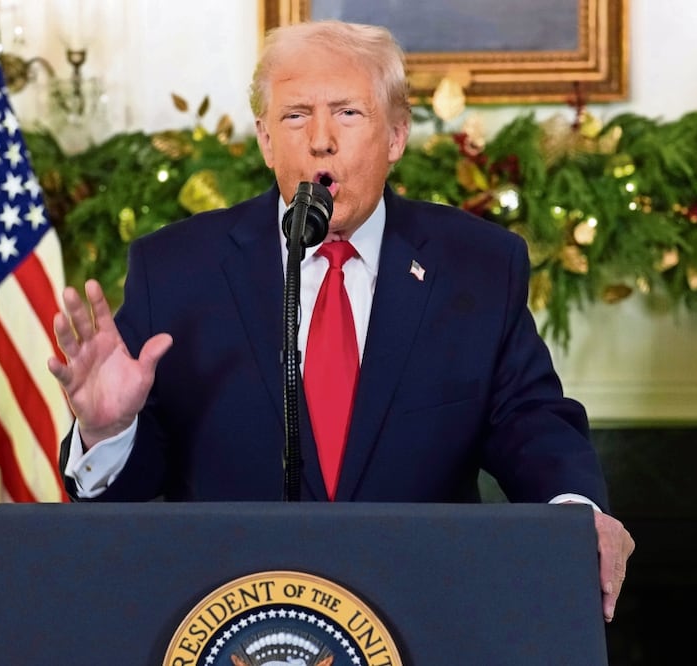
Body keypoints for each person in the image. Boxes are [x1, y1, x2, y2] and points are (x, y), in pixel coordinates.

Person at [47, 20, 634, 622]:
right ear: (266, 140)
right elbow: (131, 494)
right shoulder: (177, 269)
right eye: (296, 116)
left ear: (397, 135)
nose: (321, 140)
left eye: (348, 114)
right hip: (234, 627)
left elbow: (529, 421)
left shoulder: (477, 265)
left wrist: (575, 512)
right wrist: (109, 432)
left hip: (422, 617)